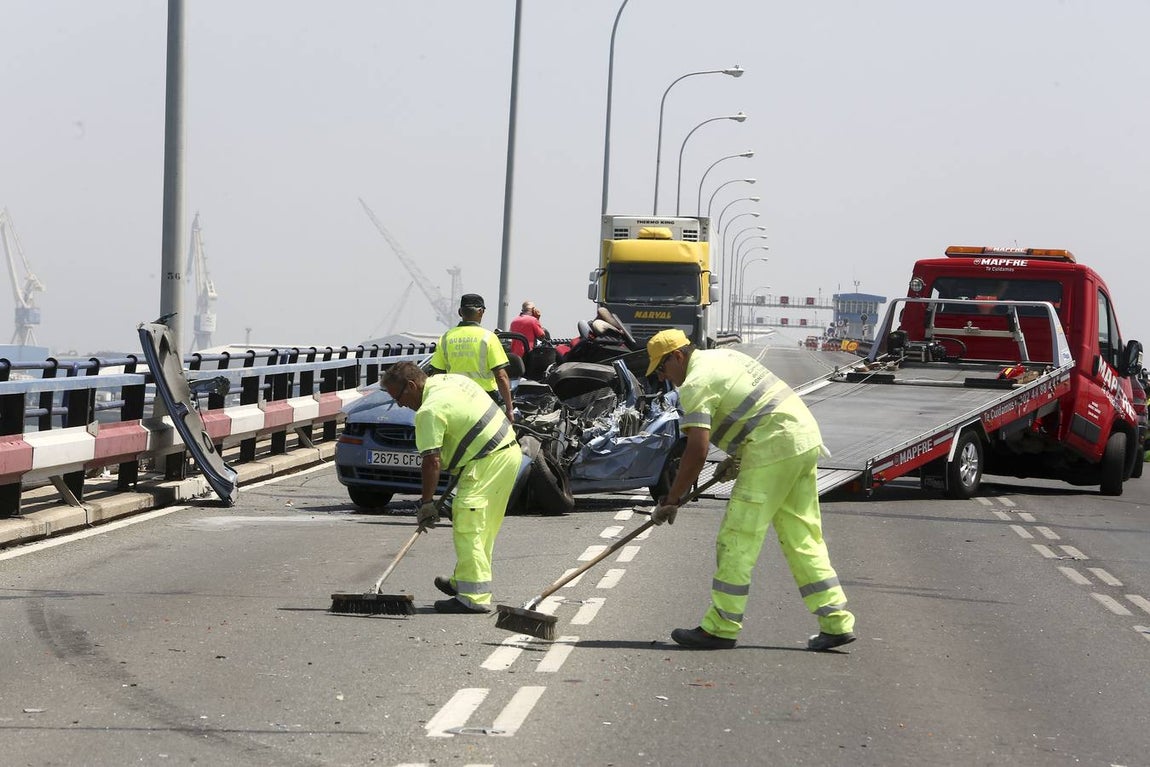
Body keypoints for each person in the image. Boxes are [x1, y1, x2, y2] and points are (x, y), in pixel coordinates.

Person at [645, 328, 856, 651]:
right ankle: (836, 621)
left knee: (737, 538)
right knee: (802, 537)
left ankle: (721, 627)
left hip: (773, 447)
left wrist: (671, 499)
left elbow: (697, 450)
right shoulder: (724, 357)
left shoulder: (696, 383)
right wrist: (737, 458)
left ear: (677, 356)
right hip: (802, 438)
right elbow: (755, 410)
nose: (663, 378)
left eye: (661, 369)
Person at [381, 361, 523, 614]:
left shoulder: (429, 411)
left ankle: (473, 597)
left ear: (411, 386)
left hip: (486, 460)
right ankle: (464, 580)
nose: (400, 405)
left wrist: (426, 504)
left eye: (398, 397)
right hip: (507, 453)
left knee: (469, 524)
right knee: (481, 527)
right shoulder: (450, 381)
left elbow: (431, 461)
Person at [429, 293, 514, 423]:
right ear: (481, 312)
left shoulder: (445, 338)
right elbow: (501, 377)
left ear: (460, 312)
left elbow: (437, 375)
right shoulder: (488, 337)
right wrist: (509, 409)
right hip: (485, 400)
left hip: (455, 400)